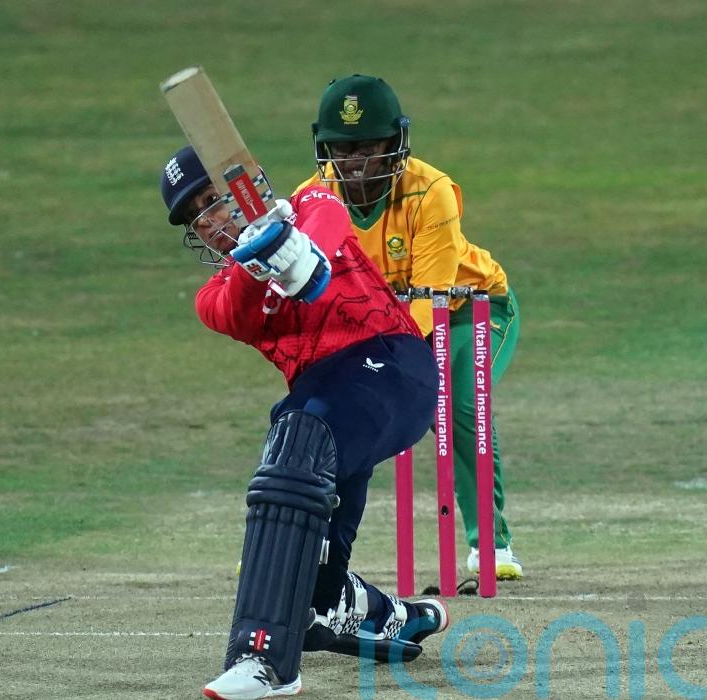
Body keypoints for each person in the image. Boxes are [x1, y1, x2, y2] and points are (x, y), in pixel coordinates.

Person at [160, 145, 450, 700]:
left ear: (243, 187)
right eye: (195, 216)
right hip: (336, 405)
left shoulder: (307, 201)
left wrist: (296, 243)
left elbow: (330, 215)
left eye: (212, 200)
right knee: (314, 592)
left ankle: (263, 659)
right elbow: (240, 308)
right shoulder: (213, 298)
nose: (208, 221)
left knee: (297, 429)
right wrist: (263, 257)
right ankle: (391, 614)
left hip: (395, 366)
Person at [298, 75, 523, 580]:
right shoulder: (311, 198)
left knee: (455, 403)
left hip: (467, 309)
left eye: (368, 147)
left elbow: (429, 298)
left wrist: (382, 365)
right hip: (379, 325)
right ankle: (292, 536)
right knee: (327, 414)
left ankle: (492, 545)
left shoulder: (430, 191)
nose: (355, 161)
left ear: (394, 142)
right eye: (343, 148)